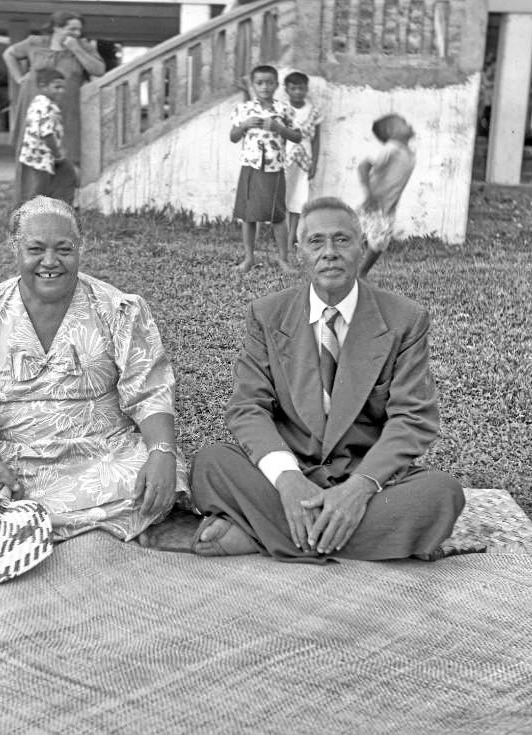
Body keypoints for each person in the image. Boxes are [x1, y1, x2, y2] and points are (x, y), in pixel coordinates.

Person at [188, 197, 464, 562]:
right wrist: (287, 480)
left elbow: (413, 419)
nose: (329, 252)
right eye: (317, 242)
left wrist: (358, 491)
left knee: (441, 495)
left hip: (363, 473)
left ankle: (261, 534)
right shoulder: (267, 315)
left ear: (362, 248)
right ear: (299, 252)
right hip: (291, 465)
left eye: (342, 240)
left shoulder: (405, 319)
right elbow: (247, 407)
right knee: (209, 464)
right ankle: (335, 534)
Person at [0, 196, 191, 542]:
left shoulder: (118, 309)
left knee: (164, 470)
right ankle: (113, 526)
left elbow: (151, 391)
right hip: (13, 460)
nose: (50, 262)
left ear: (80, 248)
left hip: (101, 453)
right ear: (15, 249)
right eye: (35, 249)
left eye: (64, 249)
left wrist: (161, 453)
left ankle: (20, 530)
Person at [3, 11, 105, 205]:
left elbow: (98, 70)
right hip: (34, 104)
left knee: (64, 153)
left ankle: (59, 205)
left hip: (66, 109)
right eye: (71, 28)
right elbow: (9, 54)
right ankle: (28, 204)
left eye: (79, 29)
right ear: (57, 27)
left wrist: (76, 48)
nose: (76, 32)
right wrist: (18, 78)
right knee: (32, 153)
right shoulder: (36, 42)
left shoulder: (83, 46)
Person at [230, 65, 302, 274]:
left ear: (277, 85)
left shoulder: (284, 109)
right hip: (251, 167)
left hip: (274, 167)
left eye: (269, 83)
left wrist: (279, 128)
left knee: (277, 215)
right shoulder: (244, 109)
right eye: (259, 83)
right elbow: (233, 137)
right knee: (249, 215)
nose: (265, 87)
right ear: (253, 85)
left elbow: (297, 136)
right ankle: (249, 258)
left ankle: (283, 259)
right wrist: (244, 126)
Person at [357, 113, 416, 278]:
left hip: (388, 206)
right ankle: (359, 272)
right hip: (375, 204)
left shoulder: (408, 152)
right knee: (376, 239)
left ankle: (360, 272)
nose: (408, 123)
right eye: (403, 122)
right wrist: (368, 194)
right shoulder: (391, 149)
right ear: (391, 131)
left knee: (380, 242)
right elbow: (363, 166)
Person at [18, 67, 77, 205]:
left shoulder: (38, 102)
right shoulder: (47, 106)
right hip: (41, 157)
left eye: (62, 87)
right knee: (38, 190)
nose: (61, 91)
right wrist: (57, 154)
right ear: (42, 87)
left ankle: (42, 211)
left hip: (33, 155)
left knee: (37, 188)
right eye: (57, 87)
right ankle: (31, 217)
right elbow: (46, 134)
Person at [282, 71, 323, 253]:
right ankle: (280, 237)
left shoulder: (313, 111)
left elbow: (316, 139)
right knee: (281, 198)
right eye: (293, 88)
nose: (297, 92)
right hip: (284, 159)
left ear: (306, 89)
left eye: (301, 88)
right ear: (287, 90)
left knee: (298, 199)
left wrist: (314, 162)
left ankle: (292, 238)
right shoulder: (282, 109)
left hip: (304, 161)